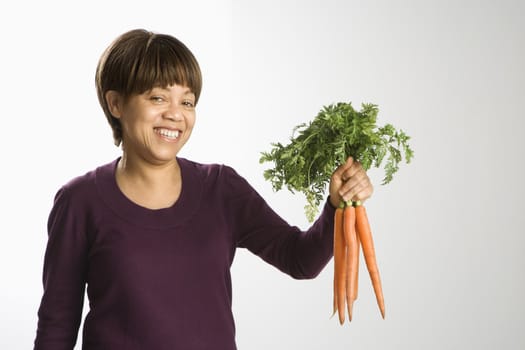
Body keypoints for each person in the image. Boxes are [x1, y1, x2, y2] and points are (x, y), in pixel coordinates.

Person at [33, 28, 373, 350]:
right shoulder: (80, 202)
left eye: (187, 102)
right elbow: (56, 328)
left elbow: (301, 260)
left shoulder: (221, 190)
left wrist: (336, 206)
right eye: (157, 97)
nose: (175, 115)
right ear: (116, 104)